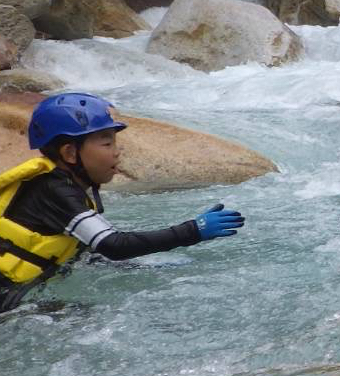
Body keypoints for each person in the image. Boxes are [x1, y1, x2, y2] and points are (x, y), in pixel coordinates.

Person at [0, 93, 245, 314]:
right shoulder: (53, 190)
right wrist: (193, 231)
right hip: (6, 299)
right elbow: (113, 245)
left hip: (14, 295)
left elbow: (85, 252)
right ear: (70, 153)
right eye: (107, 144)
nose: (117, 152)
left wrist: (139, 267)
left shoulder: (64, 186)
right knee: (94, 317)